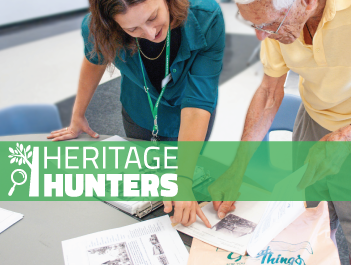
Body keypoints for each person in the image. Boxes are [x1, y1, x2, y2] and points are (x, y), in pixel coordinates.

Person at [210, 0, 351, 264]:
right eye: (254, 24)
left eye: (269, 25)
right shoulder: (275, 15)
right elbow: (270, 92)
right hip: (314, 120)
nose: (261, 35)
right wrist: (237, 168)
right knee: (308, 230)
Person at [47, 0, 226, 228]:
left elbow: (199, 100)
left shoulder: (205, 16)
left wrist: (183, 180)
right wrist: (78, 115)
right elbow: (95, 59)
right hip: (139, 110)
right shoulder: (97, 27)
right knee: (143, 194)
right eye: (133, 29)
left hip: (190, 116)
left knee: (185, 184)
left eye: (152, 17)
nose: (150, 33)